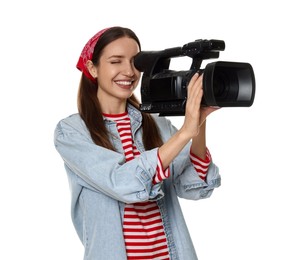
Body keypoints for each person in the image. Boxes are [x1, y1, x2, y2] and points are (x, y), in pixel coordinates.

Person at [54, 26, 221, 260]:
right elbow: (123, 183)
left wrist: (199, 122)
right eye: (115, 61)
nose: (129, 71)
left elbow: (193, 186)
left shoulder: (157, 124)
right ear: (92, 68)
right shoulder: (72, 132)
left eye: (135, 62)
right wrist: (184, 133)